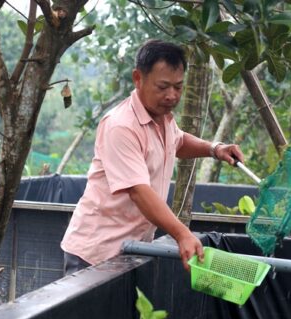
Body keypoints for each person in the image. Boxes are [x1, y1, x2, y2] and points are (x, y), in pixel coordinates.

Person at [61, 39, 244, 275]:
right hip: (95, 253)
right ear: (138, 78)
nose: (171, 95)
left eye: (178, 87)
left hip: (130, 250)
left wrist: (215, 149)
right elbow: (138, 191)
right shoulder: (121, 126)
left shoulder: (163, 117)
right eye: (162, 87)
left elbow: (177, 142)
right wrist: (182, 234)